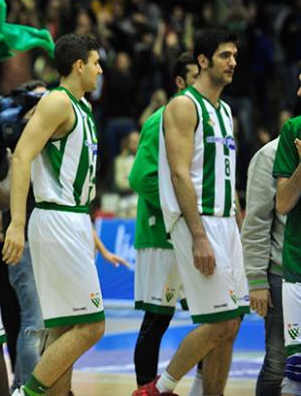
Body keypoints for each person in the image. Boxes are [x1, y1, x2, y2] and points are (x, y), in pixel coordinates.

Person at [3, 33, 125, 396]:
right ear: (78, 65)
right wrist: (17, 223)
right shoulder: (57, 102)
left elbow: (76, 184)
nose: (100, 69)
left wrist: (93, 236)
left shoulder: (83, 108)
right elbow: (22, 156)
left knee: (63, 330)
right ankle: (25, 393)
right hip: (55, 219)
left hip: (71, 218)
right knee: (92, 327)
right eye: (96, 62)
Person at [135, 28, 249, 396]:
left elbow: (227, 174)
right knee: (216, 323)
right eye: (224, 56)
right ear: (202, 61)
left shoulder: (226, 110)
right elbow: (180, 173)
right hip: (198, 223)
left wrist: (238, 220)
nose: (233, 62)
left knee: (231, 324)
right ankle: (158, 388)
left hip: (225, 223)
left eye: (234, 55)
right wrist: (199, 235)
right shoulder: (183, 106)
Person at [130, 53, 200, 389]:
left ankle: (203, 384)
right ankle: (147, 387)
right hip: (163, 234)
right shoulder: (160, 120)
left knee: (211, 316)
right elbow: (140, 177)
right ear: (180, 82)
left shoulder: (207, 118)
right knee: (157, 319)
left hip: (194, 232)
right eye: (193, 76)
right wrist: (181, 210)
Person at [243, 136, 286, 396]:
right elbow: (256, 221)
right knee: (277, 364)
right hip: (281, 274)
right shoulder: (270, 154)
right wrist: (257, 278)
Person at [273, 73, 301, 396]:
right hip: (297, 265)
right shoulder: (293, 131)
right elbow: (283, 202)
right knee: (295, 371)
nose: (297, 91)